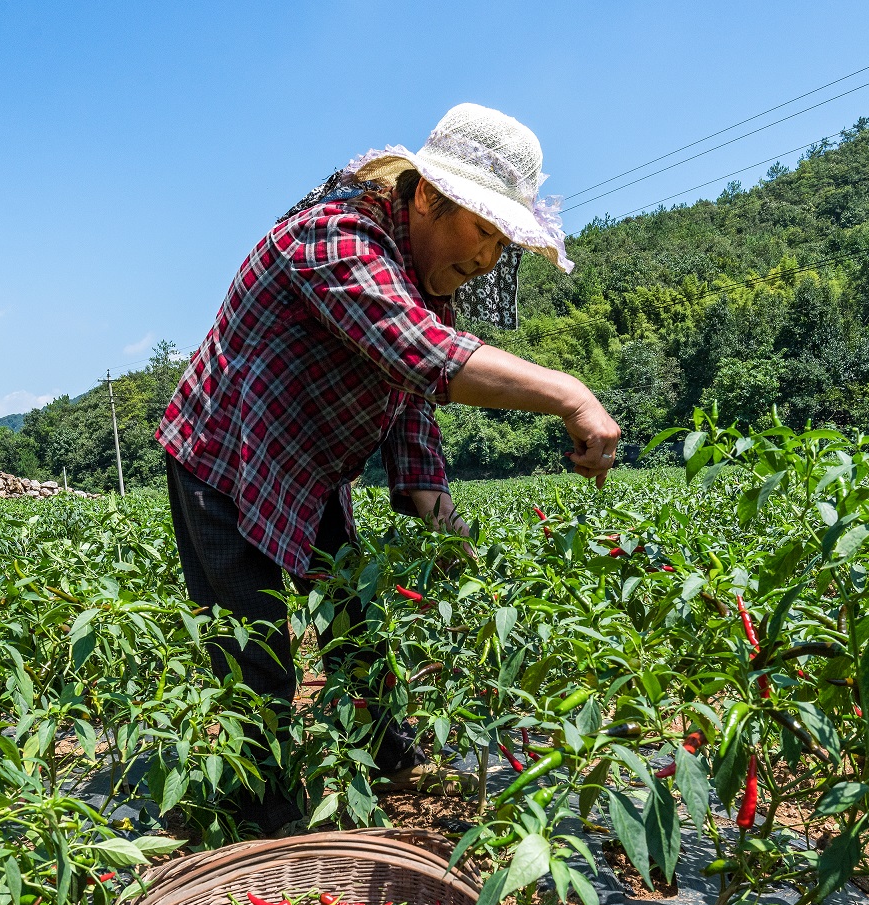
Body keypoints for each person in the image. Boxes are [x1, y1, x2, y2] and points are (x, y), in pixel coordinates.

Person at [159, 103, 622, 834]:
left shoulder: (415, 276)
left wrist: (435, 509)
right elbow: (418, 353)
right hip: (224, 453)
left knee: (354, 626)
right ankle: (263, 817)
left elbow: (409, 403)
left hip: (306, 460)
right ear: (427, 197)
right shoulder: (335, 238)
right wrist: (572, 393)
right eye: (483, 232)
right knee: (257, 655)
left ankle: (385, 758)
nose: (488, 259)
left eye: (503, 243)